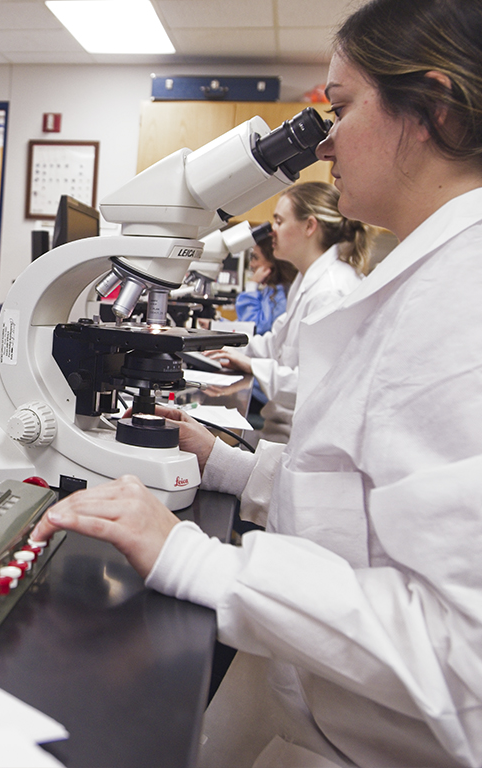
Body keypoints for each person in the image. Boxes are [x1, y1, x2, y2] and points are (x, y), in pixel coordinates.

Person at [32, 1, 482, 765]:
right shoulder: (435, 275)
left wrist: (190, 556)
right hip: (324, 698)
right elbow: (360, 503)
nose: (325, 140)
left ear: (432, 109)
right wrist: (229, 463)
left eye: (338, 109)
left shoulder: (463, 299)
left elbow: (458, 659)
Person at [208, 182, 373, 443]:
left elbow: (319, 386)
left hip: (303, 439)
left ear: (309, 226)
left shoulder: (331, 290)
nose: (271, 230)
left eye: (279, 221)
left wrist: (253, 366)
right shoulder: (308, 280)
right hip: (285, 428)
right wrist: (220, 343)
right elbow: (277, 344)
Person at [234, 235, 296, 336]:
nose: (251, 265)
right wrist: (214, 325)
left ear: (272, 260)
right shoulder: (271, 290)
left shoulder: (283, 295)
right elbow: (243, 322)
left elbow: (253, 328)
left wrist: (252, 285)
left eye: (255, 258)